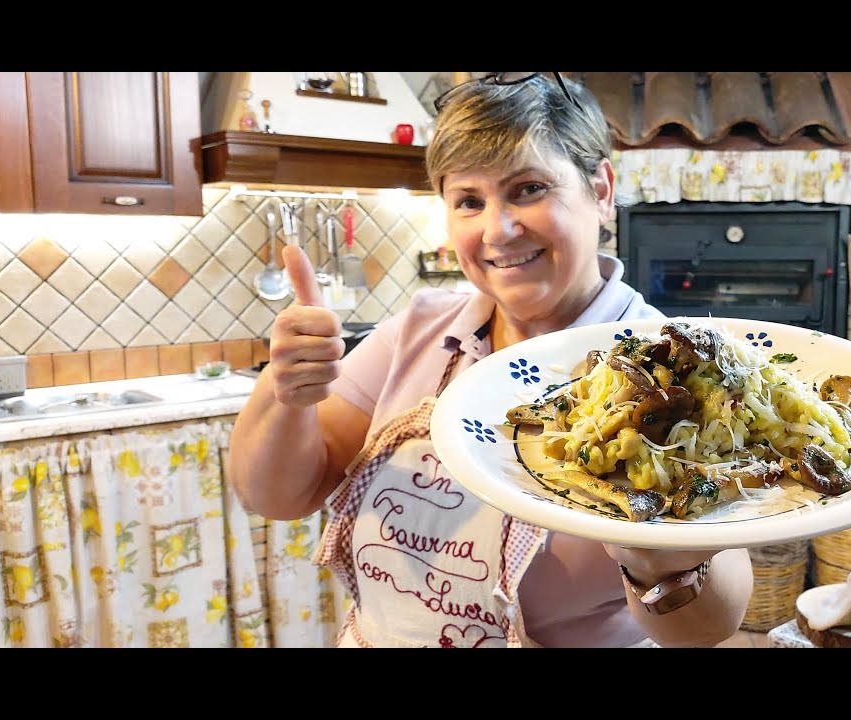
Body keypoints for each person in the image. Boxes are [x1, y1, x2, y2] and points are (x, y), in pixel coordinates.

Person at [228, 72, 753, 648]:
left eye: (529, 188)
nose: (498, 230)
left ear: (600, 190)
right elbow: (279, 496)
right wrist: (287, 395)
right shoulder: (419, 330)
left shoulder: (676, 368)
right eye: (469, 202)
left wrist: (661, 558)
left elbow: (708, 627)